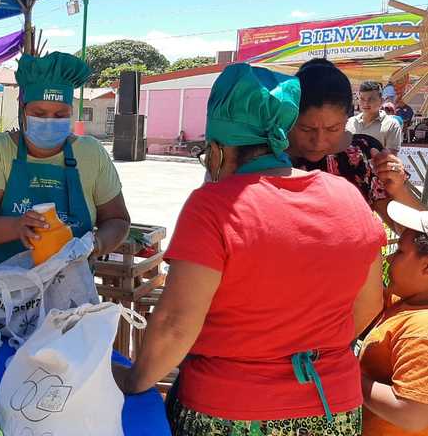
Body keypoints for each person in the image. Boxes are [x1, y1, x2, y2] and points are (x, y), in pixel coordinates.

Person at [113, 63, 385, 435]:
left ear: (218, 150)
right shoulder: (348, 198)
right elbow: (369, 304)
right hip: (332, 407)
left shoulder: (213, 206)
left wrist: (133, 381)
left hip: (230, 411)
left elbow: (176, 324)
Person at [0, 52, 131, 308]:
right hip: (4, 299)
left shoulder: (91, 153)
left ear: (71, 113)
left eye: (60, 114)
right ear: (23, 111)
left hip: (69, 298)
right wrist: (16, 227)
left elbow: (117, 220)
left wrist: (94, 245)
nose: (49, 121)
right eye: (39, 113)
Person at [288, 59, 421, 225]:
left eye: (333, 129)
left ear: (347, 118)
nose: (319, 142)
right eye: (306, 129)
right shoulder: (270, 159)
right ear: (289, 118)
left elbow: (409, 230)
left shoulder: (363, 155)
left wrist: (398, 188)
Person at [359, 201, 428, 435]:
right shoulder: (404, 301)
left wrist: (348, 377)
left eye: (399, 252)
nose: (389, 259)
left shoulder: (421, 329)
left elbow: (412, 414)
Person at [346, 81, 403, 153]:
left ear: (381, 101)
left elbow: (391, 156)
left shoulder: (391, 125)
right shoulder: (350, 122)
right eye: (362, 99)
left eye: (371, 99)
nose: (366, 103)